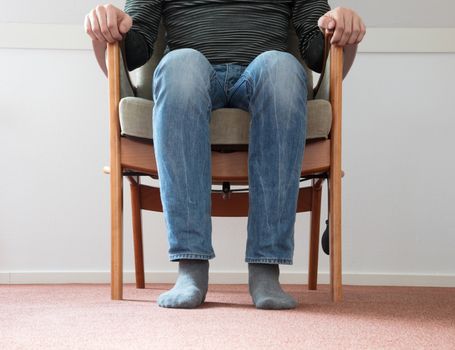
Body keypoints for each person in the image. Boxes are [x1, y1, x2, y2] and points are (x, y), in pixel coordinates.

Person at [85, 0, 365, 310]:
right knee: (179, 64)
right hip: (191, 75)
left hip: (265, 73)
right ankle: (190, 266)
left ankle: (265, 268)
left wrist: (343, 25)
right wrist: (106, 25)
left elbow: (318, 52)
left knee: (283, 66)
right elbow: (134, 48)